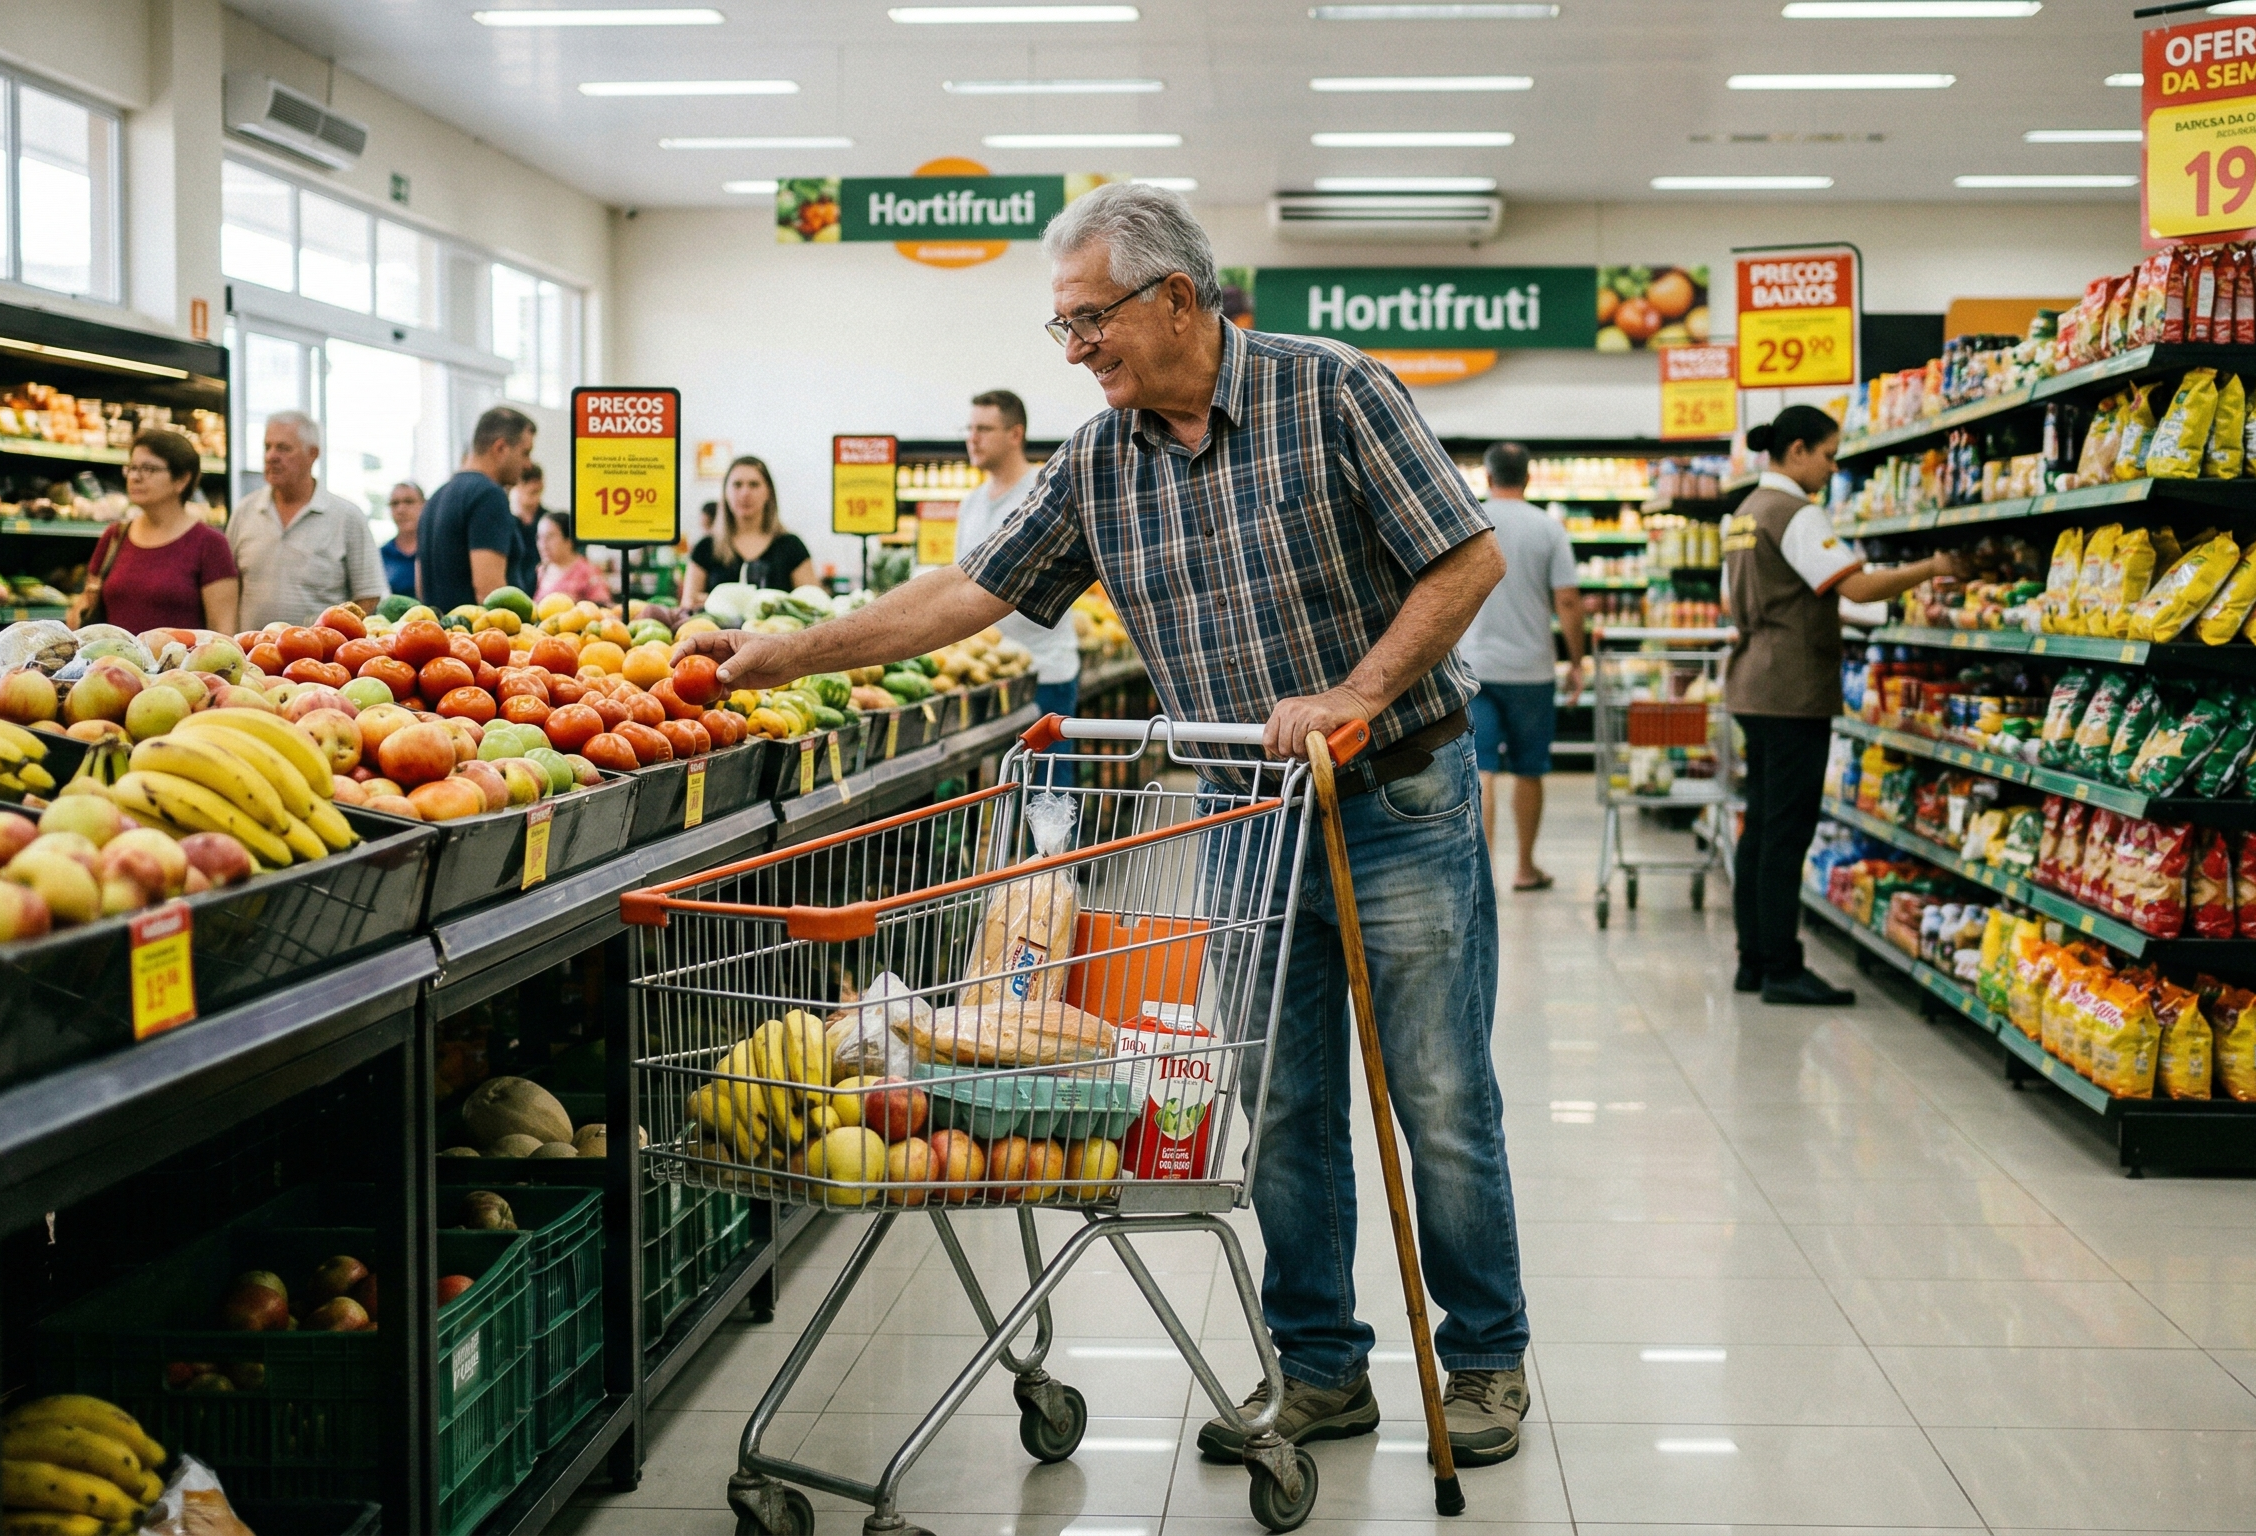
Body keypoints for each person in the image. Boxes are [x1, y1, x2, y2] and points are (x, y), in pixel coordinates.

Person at [676, 182, 1535, 1470]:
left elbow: (1465, 558)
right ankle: (1320, 1368)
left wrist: (1355, 695)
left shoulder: (1330, 390)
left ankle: (1483, 1362)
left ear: (1175, 297)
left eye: (1090, 320)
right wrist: (789, 653)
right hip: (1246, 813)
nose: (1074, 349)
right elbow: (967, 592)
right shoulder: (1096, 462)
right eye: (1062, 326)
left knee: (1439, 1093)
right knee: (1281, 1101)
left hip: (1398, 791)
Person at [1723, 403, 1966, 1006]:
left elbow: (1760, 598)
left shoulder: (1745, 512)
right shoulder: (1796, 513)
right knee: (1786, 833)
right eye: (1829, 455)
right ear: (1798, 451)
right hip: (1793, 690)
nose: (1832, 469)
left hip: (1753, 681)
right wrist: (1932, 567)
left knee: (1760, 827)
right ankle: (1783, 967)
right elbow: (1854, 584)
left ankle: (1753, 960)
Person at [1456, 441, 1586, 892]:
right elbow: (1567, 600)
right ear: (1528, 478)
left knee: (1482, 768)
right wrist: (1576, 661)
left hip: (1474, 668)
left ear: (1488, 477)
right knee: (1530, 769)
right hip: (1532, 670)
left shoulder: (1469, 520)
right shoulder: (1548, 528)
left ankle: (1485, 873)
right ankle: (1525, 868)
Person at [951, 389, 1081, 781]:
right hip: (990, 675)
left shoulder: (1042, 493)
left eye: (984, 429)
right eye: (969, 428)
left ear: (1015, 434)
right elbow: (960, 579)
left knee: (1046, 792)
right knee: (1000, 790)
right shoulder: (971, 504)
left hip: (1044, 671)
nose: (972, 438)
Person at [224, 410, 387, 630]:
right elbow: (226, 590)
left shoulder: (347, 517)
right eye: (267, 447)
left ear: (313, 454)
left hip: (321, 652)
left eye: (283, 448)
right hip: (251, 650)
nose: (271, 456)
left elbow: (369, 596)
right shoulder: (245, 512)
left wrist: (333, 637)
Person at [77, 428, 239, 635]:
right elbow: (83, 612)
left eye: (149, 469)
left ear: (182, 479)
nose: (135, 477)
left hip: (177, 657)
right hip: (114, 656)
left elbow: (223, 632)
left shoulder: (210, 544)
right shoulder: (115, 536)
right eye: (132, 468)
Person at [416, 406, 536, 611]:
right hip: (479, 631)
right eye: (525, 453)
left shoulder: (436, 496)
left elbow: (421, 587)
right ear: (501, 448)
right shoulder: (489, 495)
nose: (528, 465)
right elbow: (489, 592)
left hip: (440, 627)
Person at [679, 457, 815, 603]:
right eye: (737, 485)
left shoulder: (792, 547)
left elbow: (814, 605)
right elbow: (688, 605)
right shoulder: (705, 548)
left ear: (768, 492)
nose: (745, 493)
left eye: (754, 485)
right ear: (725, 492)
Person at [535, 512, 610, 605]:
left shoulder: (588, 572)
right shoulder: (542, 570)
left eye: (549, 537)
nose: (543, 544)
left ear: (569, 540)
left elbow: (603, 605)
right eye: (539, 537)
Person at [506, 464, 546, 594]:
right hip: (513, 590)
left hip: (543, 591)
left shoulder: (548, 522)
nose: (537, 498)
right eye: (532, 492)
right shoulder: (507, 523)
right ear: (519, 487)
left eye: (540, 492)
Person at [380, 481, 424, 599]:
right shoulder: (381, 556)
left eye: (409, 502)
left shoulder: (438, 552)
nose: (401, 510)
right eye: (394, 503)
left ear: (424, 505)